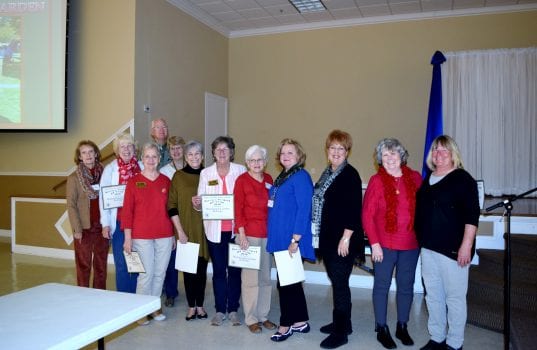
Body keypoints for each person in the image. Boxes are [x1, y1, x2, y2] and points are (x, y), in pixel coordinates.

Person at [415, 135, 480, 350]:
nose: (438, 154)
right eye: (435, 150)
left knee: (454, 299)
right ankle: (437, 338)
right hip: (429, 248)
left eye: (444, 150)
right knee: (433, 296)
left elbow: (472, 216)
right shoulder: (429, 178)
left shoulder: (463, 179)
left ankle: (454, 343)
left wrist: (466, 246)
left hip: (453, 250)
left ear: (453, 154)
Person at [362, 138, 422, 349]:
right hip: (384, 244)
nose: (389, 159)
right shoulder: (376, 181)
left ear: (401, 156)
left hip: (411, 243)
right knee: (382, 285)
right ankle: (381, 327)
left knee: (406, 286)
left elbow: (424, 209)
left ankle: (402, 326)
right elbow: (367, 216)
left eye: (393, 154)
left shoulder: (415, 178)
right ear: (380, 159)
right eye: (385, 155)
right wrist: (375, 244)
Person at [313, 130, 363, 349]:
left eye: (340, 148)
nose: (335, 152)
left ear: (347, 151)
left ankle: (341, 333)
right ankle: (344, 323)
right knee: (337, 282)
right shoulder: (327, 173)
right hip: (328, 237)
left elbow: (354, 211)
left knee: (340, 285)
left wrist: (345, 238)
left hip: (343, 240)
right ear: (327, 150)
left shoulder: (350, 175)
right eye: (332, 148)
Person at [267, 138, 315, 342]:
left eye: (290, 153)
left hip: (292, 240)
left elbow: (304, 210)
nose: (285, 156)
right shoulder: (284, 176)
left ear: (299, 156)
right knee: (292, 282)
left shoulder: (301, 177)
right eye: (283, 153)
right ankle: (300, 321)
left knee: (285, 284)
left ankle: (285, 325)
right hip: (281, 237)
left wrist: (295, 240)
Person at [122, 142, 175, 325]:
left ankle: (154, 306)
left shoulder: (166, 182)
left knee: (160, 273)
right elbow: (127, 212)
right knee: (146, 274)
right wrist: (128, 238)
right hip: (141, 236)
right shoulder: (133, 182)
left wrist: (174, 234)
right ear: (142, 159)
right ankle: (140, 310)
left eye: (154, 156)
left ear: (159, 159)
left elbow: (172, 210)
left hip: (165, 234)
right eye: (147, 156)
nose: (151, 160)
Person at [198, 136, 246, 326]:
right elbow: (201, 200)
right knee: (219, 271)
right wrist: (197, 202)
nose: (222, 152)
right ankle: (219, 310)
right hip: (215, 231)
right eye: (218, 149)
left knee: (234, 271)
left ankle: (233, 309)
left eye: (225, 149)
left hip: (236, 230)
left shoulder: (241, 170)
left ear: (232, 152)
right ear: (213, 153)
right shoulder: (206, 173)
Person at [234, 145, 277, 334]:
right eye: (252, 160)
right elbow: (238, 209)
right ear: (247, 163)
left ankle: (263, 315)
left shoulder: (269, 180)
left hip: (267, 234)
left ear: (265, 162)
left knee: (266, 278)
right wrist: (241, 234)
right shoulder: (241, 181)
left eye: (260, 160)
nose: (256, 163)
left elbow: (273, 206)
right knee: (250, 279)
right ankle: (251, 318)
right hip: (248, 235)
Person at [168, 140, 209, 321]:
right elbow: (171, 206)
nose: (194, 157)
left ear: (202, 156)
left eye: (197, 154)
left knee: (201, 271)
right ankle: (191, 306)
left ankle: (200, 305)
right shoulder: (178, 177)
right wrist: (180, 232)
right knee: (188, 272)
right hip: (185, 231)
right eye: (190, 154)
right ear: (185, 157)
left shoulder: (209, 175)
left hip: (206, 230)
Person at [99, 132, 141, 293]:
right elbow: (104, 200)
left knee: (137, 262)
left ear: (134, 148)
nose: (126, 149)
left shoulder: (142, 167)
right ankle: (125, 298)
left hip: (140, 223)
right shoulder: (110, 170)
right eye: (122, 146)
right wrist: (105, 224)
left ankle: (138, 297)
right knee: (122, 263)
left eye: (129, 145)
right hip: (119, 223)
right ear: (117, 150)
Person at [66, 140, 108, 289]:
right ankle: (83, 295)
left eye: (91, 152)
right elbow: (71, 205)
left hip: (102, 228)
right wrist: (77, 230)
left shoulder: (105, 174)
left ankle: (99, 294)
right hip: (83, 229)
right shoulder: (74, 178)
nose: (88, 155)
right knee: (83, 266)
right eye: (84, 153)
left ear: (96, 154)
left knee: (101, 265)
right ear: (79, 157)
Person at [160, 135, 186, 307]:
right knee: (171, 258)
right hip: (171, 218)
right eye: (172, 149)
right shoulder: (164, 172)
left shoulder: (194, 167)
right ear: (169, 152)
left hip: (190, 218)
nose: (176, 151)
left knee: (192, 257)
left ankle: (194, 291)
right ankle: (170, 292)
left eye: (179, 148)